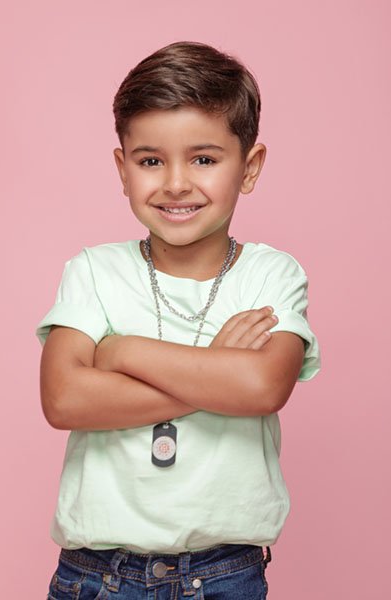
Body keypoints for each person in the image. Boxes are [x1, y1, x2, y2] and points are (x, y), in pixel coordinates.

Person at [37, 40, 321, 600]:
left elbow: (263, 387)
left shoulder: (271, 274)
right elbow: (64, 399)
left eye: (204, 159)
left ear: (250, 167)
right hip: (97, 575)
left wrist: (123, 352)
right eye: (150, 161)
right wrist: (216, 371)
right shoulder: (93, 270)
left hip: (225, 574)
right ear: (122, 169)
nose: (174, 183)